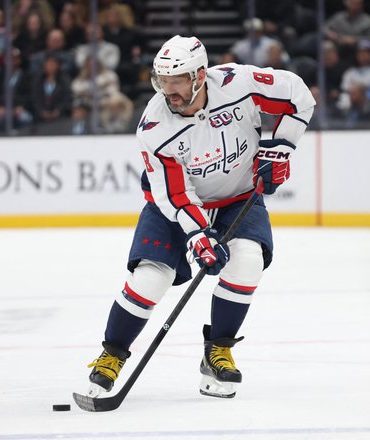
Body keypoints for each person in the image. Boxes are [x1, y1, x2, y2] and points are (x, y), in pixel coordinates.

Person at [83, 36, 315, 399]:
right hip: (175, 208)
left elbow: (299, 94)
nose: (167, 91)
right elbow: (175, 193)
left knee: (248, 260)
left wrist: (282, 147)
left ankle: (217, 351)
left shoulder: (239, 84)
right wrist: (197, 234)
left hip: (237, 197)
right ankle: (111, 354)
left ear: (200, 76)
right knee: (151, 279)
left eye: (176, 81)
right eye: (161, 80)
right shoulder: (154, 126)